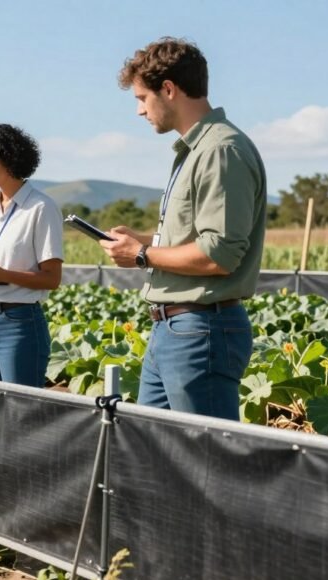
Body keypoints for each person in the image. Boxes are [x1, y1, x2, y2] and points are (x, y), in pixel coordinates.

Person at [101, 37, 266, 420]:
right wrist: (141, 240)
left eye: (142, 98)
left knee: (206, 463)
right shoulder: (195, 151)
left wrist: (140, 255)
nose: (140, 111)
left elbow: (218, 254)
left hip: (200, 329)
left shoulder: (220, 150)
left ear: (169, 90)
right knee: (159, 455)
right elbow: (194, 238)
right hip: (175, 329)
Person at [0, 124, 63, 387]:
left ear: (9, 160)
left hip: (19, 324)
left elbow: (52, 279)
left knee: (22, 412)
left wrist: (2, 275)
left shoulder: (41, 207)